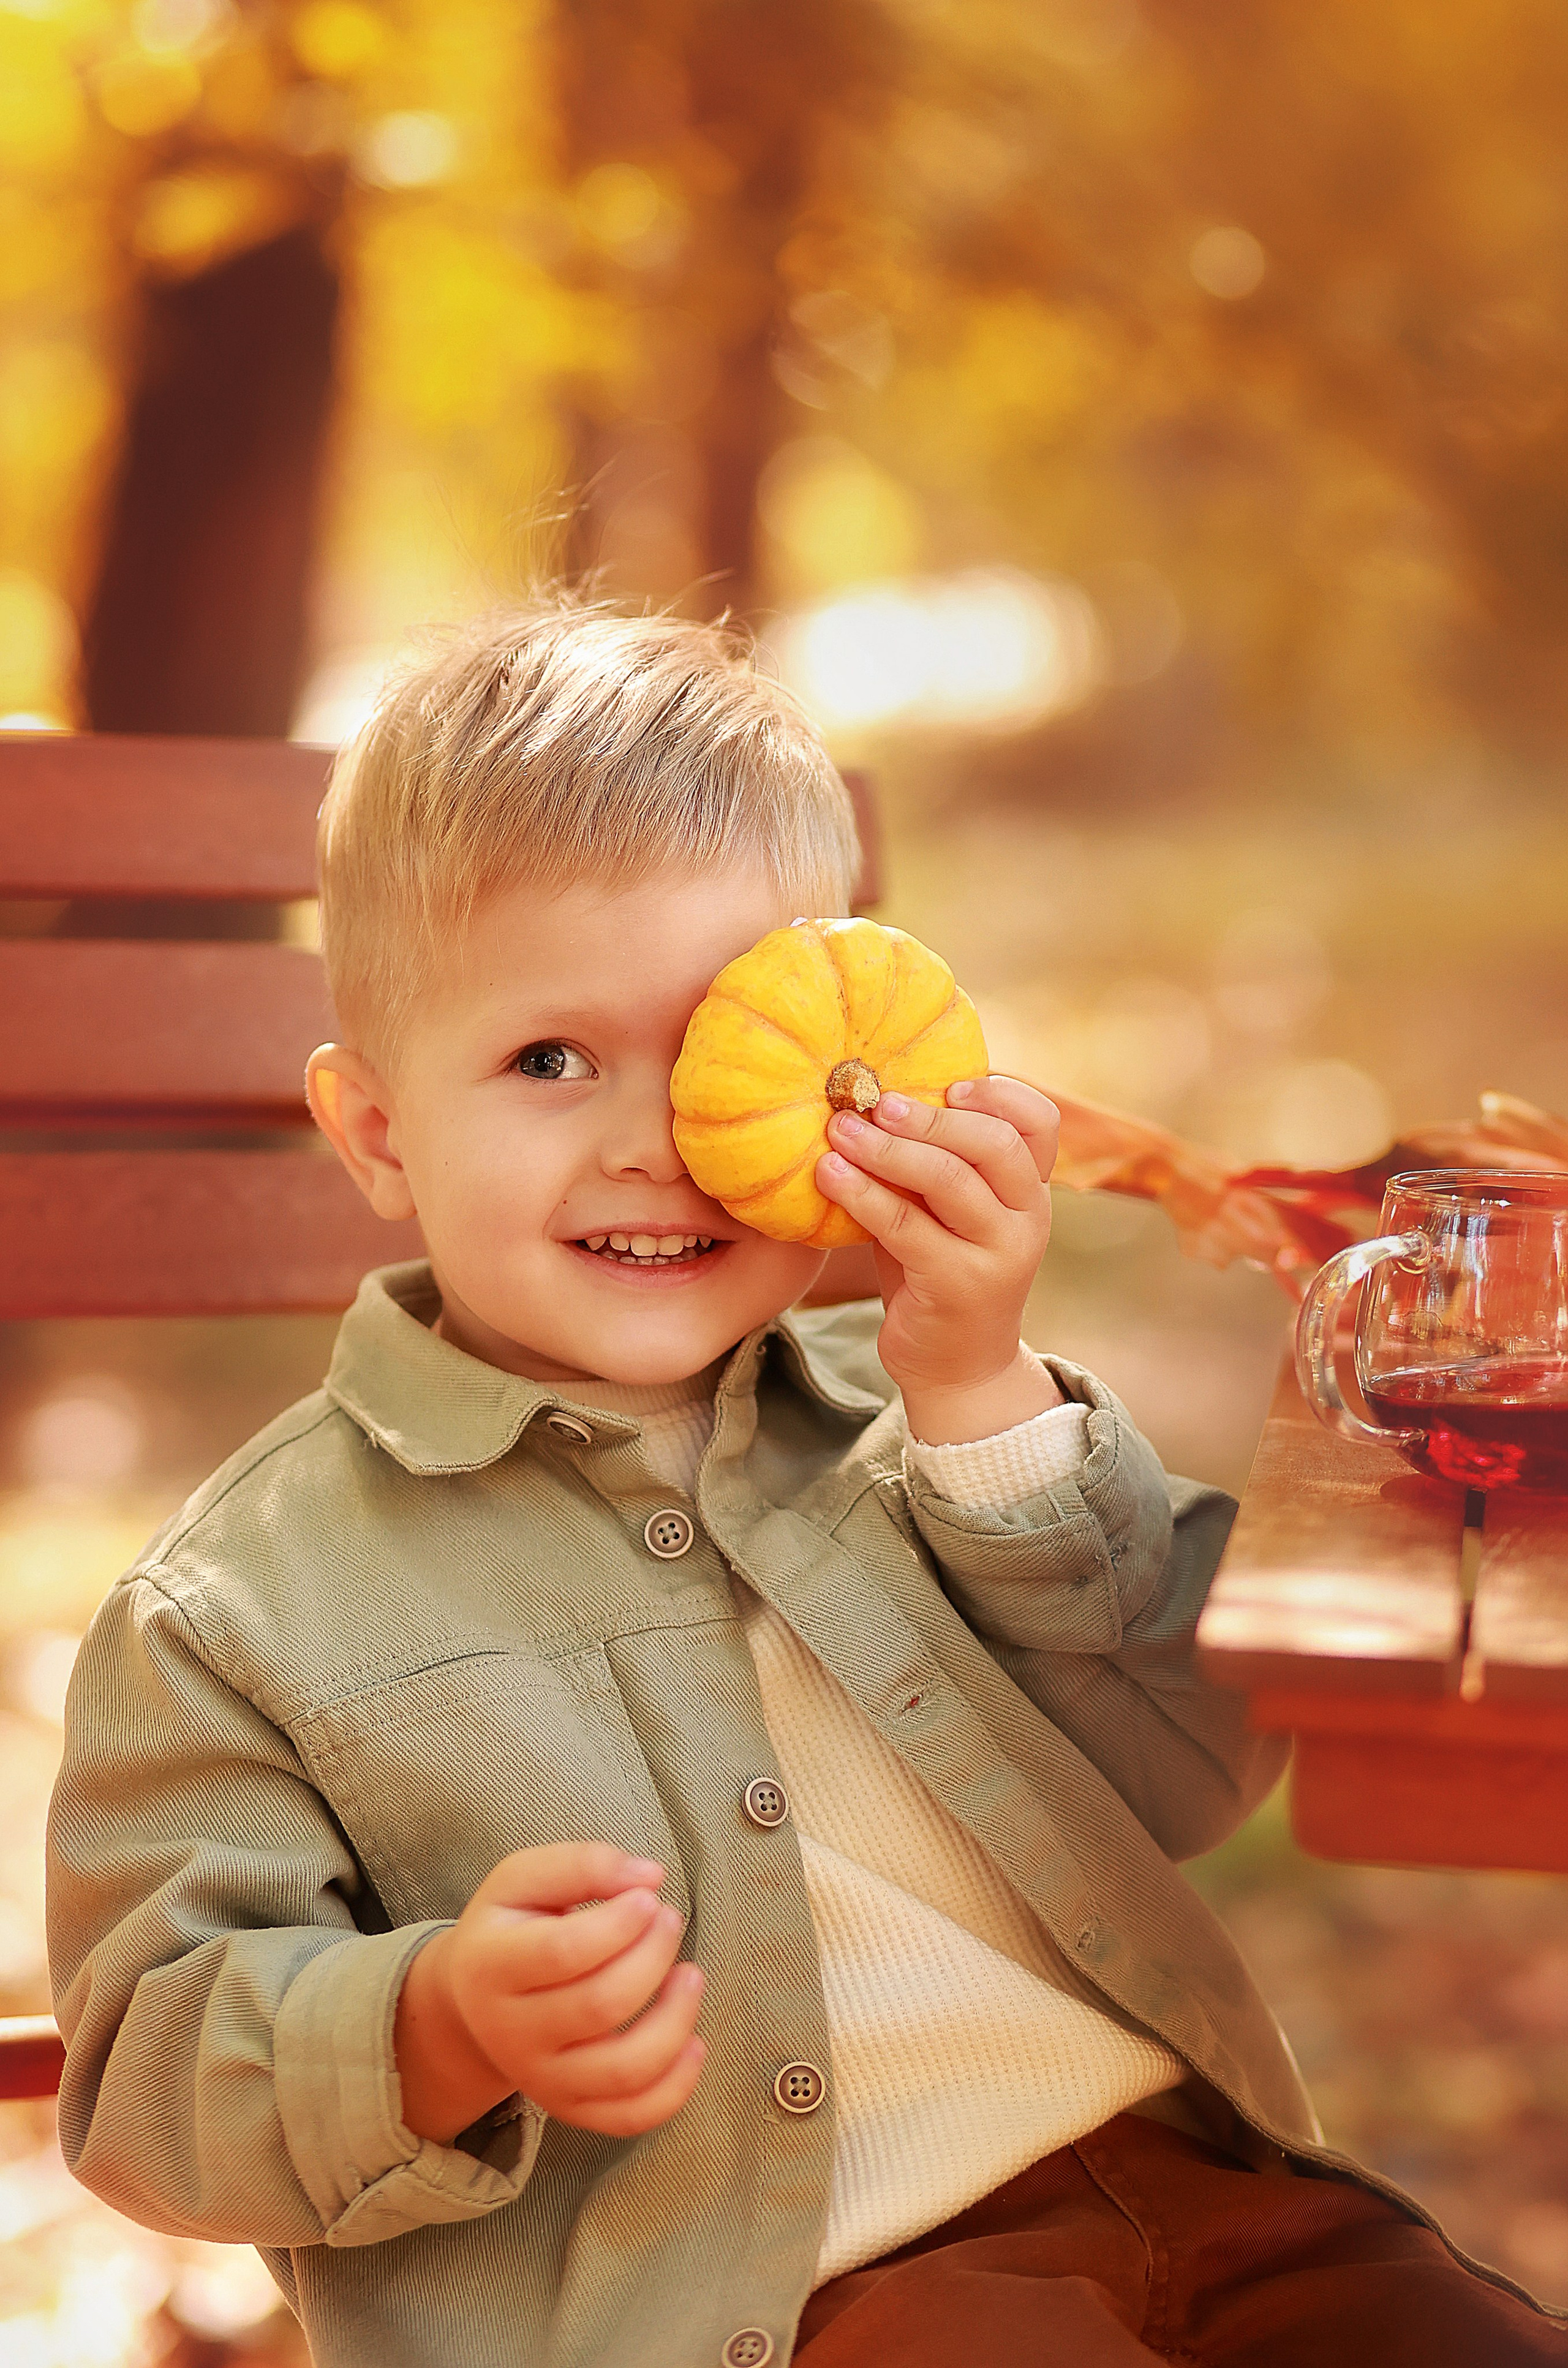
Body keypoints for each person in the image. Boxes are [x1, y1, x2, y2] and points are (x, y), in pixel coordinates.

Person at [47, 603, 1559, 2368]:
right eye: (550, 1058)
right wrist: (435, 2020)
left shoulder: (925, 1412)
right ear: (377, 1130)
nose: (654, 1139)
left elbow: (1196, 1759)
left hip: (1218, 2187)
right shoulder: (240, 1611)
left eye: (717, 1057)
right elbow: (151, 2080)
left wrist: (981, 1388)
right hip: (791, 2306)